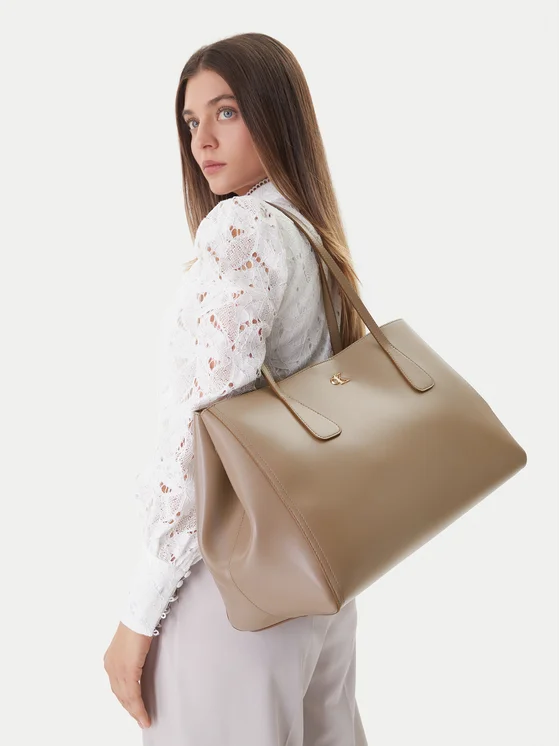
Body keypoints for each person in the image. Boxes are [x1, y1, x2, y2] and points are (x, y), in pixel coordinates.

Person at [103, 31, 369, 746]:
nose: (202, 140)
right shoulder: (310, 232)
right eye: (191, 121)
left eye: (226, 112)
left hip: (234, 595)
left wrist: (137, 616)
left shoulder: (243, 228)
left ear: (275, 113)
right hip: (320, 584)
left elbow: (205, 437)